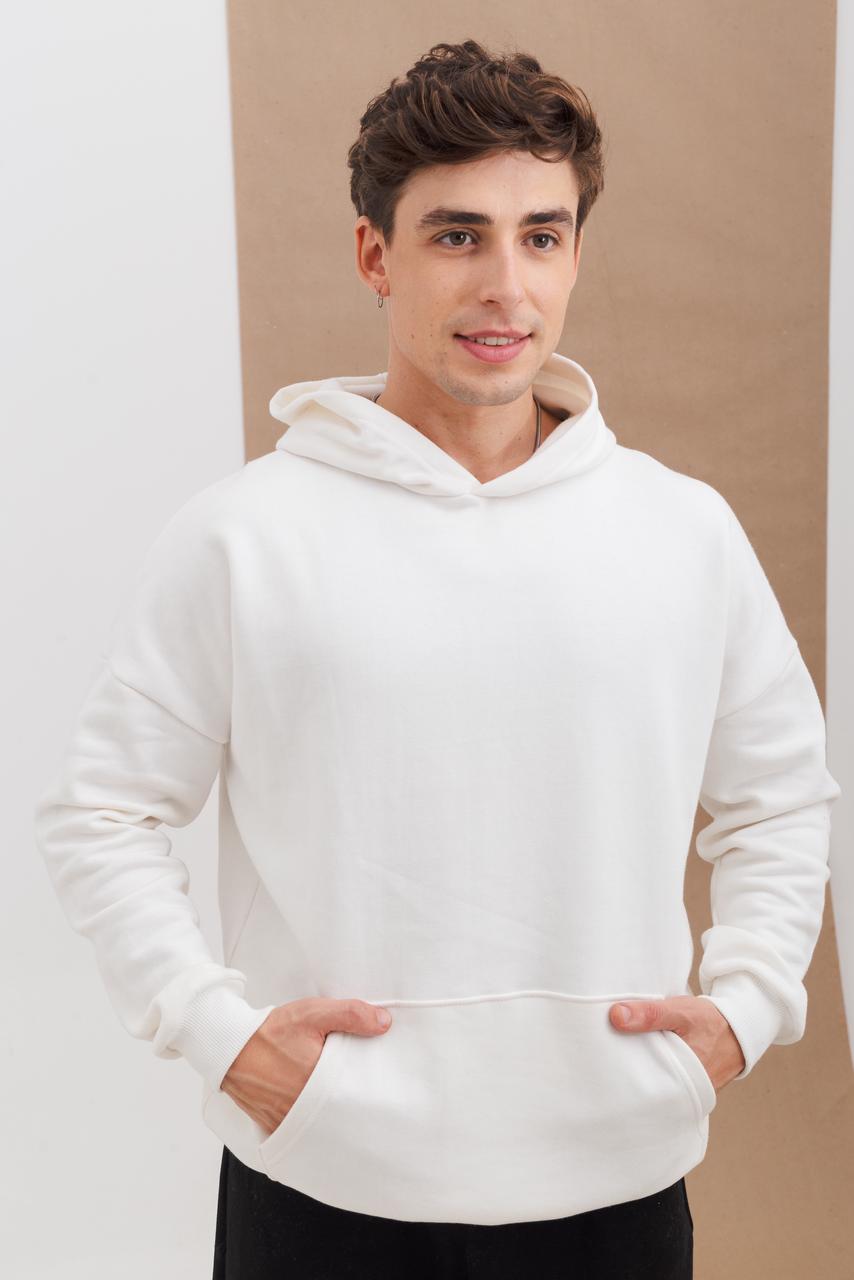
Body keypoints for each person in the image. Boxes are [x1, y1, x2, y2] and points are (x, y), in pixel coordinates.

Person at [33, 38, 841, 1280]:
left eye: (540, 236)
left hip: (614, 1179)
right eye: (457, 235)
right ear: (376, 255)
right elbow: (102, 810)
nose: (504, 285)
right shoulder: (244, 535)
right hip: (321, 1178)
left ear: (573, 254)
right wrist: (218, 1032)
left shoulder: (680, 530)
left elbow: (779, 795)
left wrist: (744, 1006)